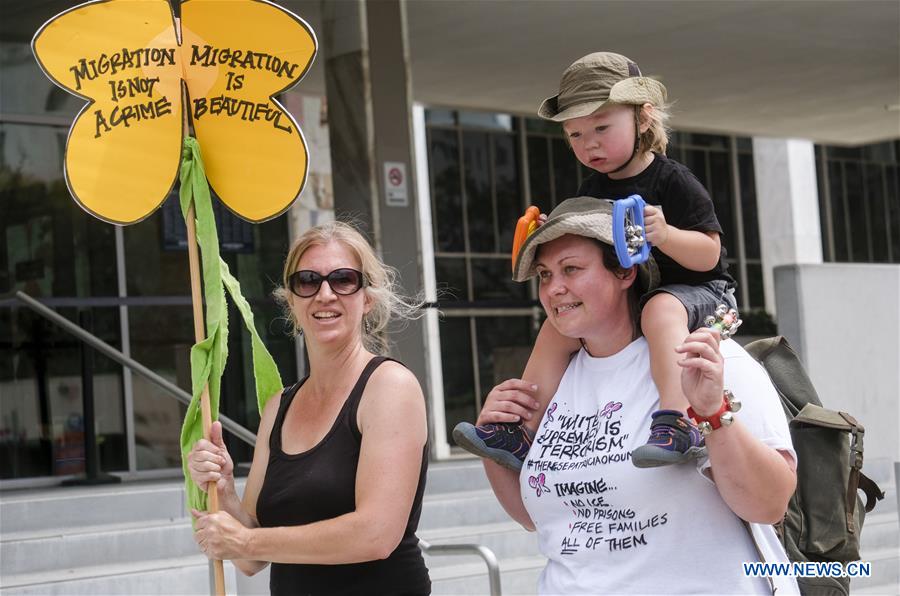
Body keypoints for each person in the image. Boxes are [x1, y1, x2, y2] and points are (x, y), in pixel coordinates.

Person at [479, 197, 798, 594]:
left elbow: (769, 505)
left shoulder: (707, 359)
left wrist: (713, 413)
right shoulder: (556, 376)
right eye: (544, 275)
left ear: (625, 272)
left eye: (571, 269)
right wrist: (492, 447)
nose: (554, 288)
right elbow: (536, 518)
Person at [455, 51, 737, 469]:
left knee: (661, 310)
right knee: (556, 329)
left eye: (602, 128)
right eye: (575, 134)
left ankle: (678, 421)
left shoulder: (673, 179)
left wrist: (668, 235)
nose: (590, 144)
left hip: (703, 297)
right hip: (634, 295)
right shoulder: (591, 187)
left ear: (643, 118)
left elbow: (711, 254)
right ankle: (520, 430)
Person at [187, 221, 431, 595]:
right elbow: (251, 560)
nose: (325, 294)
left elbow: (376, 534)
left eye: (344, 279)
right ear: (291, 301)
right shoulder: (278, 408)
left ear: (367, 298)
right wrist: (226, 494)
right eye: (308, 281)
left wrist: (247, 543)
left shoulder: (389, 388)